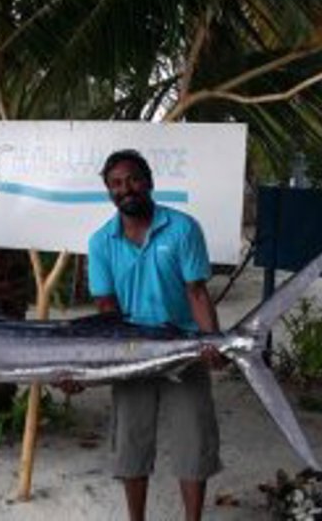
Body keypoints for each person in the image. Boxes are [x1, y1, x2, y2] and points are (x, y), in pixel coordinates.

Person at [83, 148, 225, 521]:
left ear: (148, 182)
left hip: (185, 348)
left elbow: (197, 292)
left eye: (132, 179)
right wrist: (91, 365)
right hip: (130, 353)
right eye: (115, 183)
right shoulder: (100, 242)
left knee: (193, 444)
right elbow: (106, 308)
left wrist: (212, 340)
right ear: (109, 191)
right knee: (131, 445)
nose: (125, 189)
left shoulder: (183, 228)